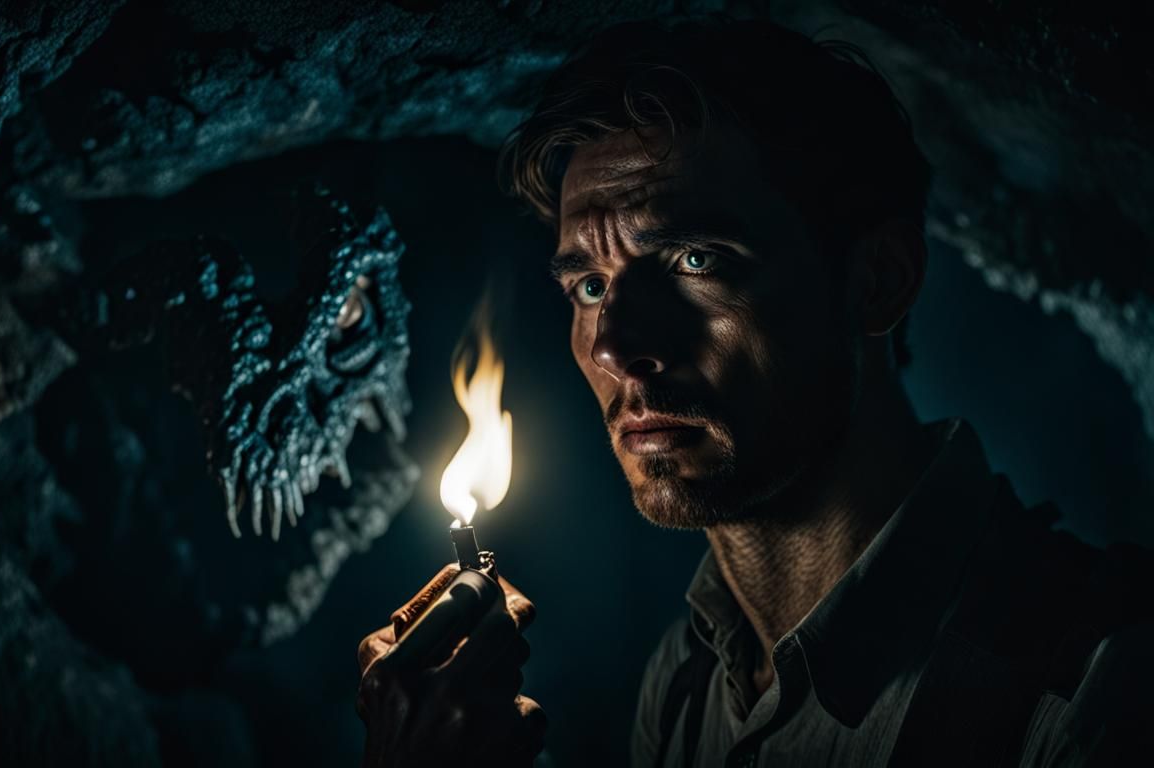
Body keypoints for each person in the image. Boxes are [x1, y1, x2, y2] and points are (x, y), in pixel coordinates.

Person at [355, 17, 1153, 768]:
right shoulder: (686, 679)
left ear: (879, 282)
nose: (616, 345)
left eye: (696, 263)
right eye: (591, 285)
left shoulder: (1096, 693)